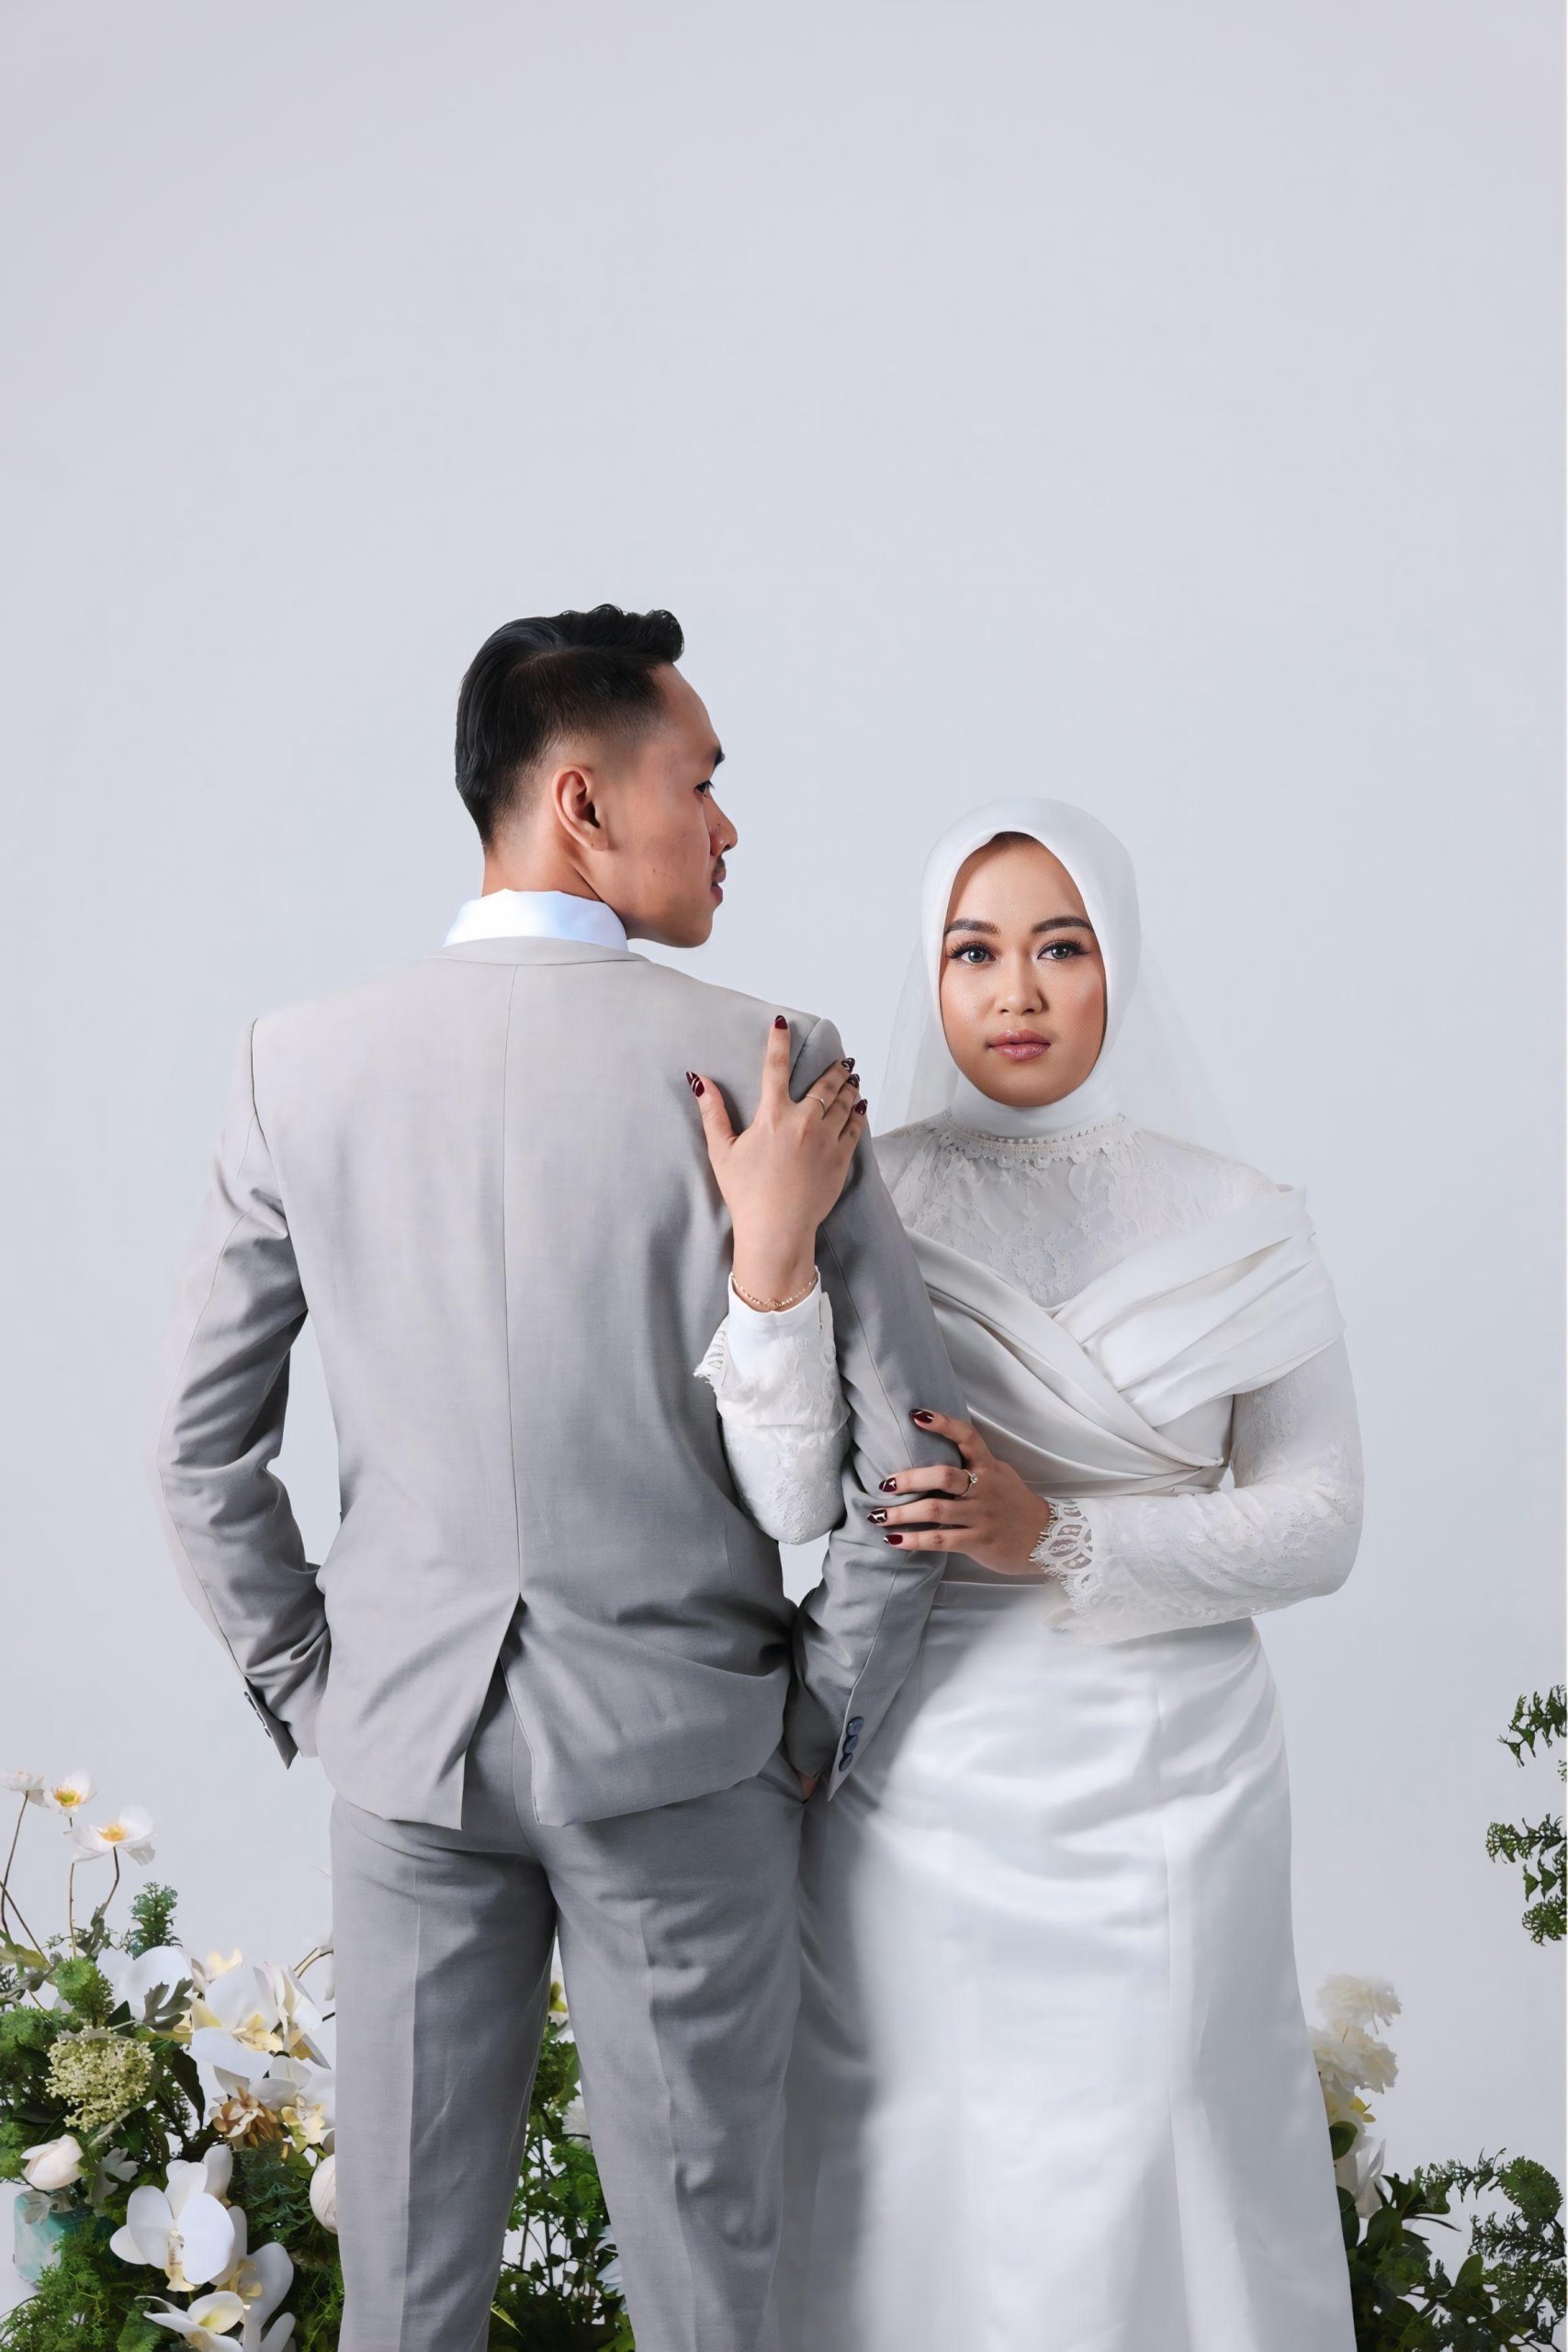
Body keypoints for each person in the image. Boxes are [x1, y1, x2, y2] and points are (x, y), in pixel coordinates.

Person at [144, 605, 964, 2352]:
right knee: (711, 2298)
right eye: (701, 781)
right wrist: (821, 1707)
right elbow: (917, 1450)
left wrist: (318, 1685)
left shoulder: (302, 1060)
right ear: (583, 801)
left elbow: (197, 1445)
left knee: (405, 2303)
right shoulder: (777, 1053)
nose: (728, 824)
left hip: (406, 1751)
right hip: (687, 1754)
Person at [690, 797, 1364, 2352]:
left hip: (1175, 1778)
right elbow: (787, 1497)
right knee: (915, 2144)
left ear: (1119, 959)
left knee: (1165, 2135)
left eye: (1061, 948)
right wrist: (770, 1265)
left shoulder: (1242, 1216)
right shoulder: (859, 1192)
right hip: (916, 1769)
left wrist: (1055, 1537)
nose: (1018, 991)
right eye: (974, 951)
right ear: (930, 975)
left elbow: (1323, 1518)